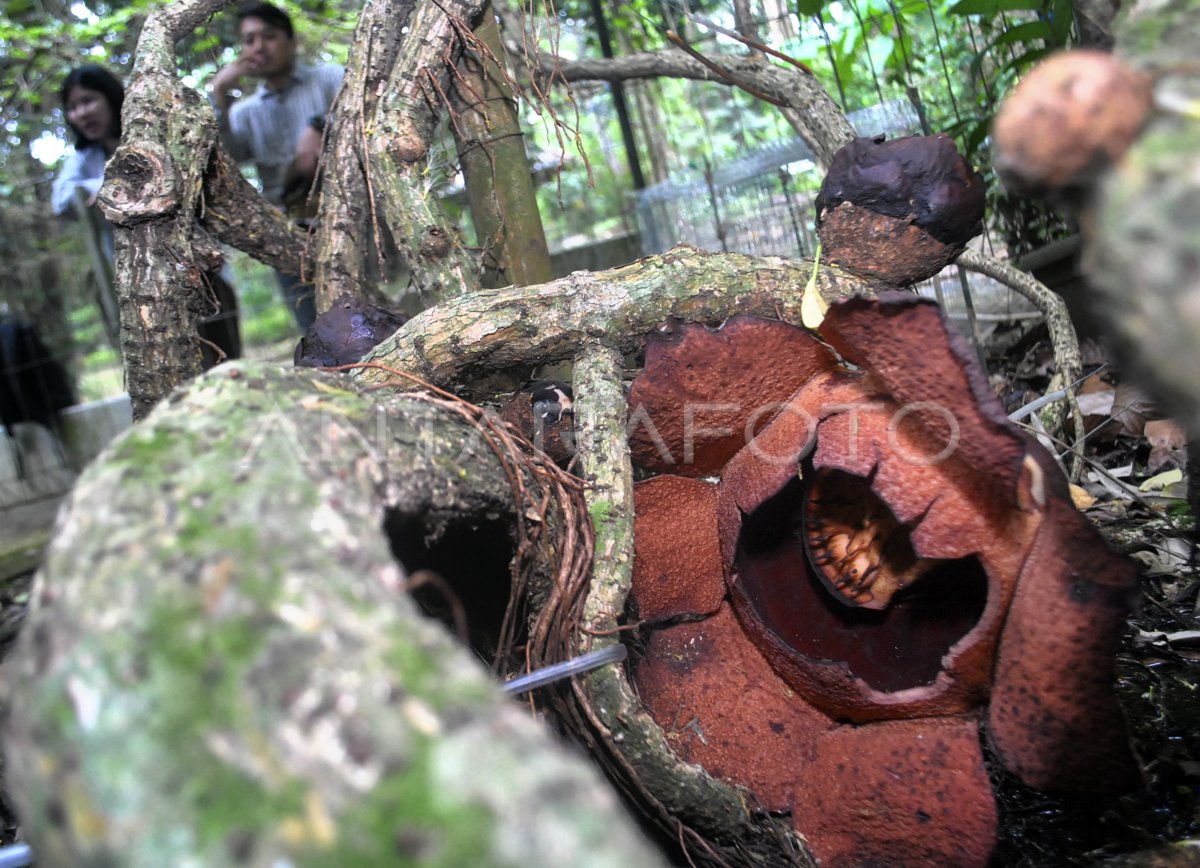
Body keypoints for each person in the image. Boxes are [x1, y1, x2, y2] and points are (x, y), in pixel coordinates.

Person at [52, 64, 242, 367]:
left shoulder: (154, 134)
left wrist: (115, 183)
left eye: (88, 101)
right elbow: (62, 199)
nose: (81, 113)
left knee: (223, 361)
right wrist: (101, 185)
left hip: (199, 273)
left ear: (111, 97)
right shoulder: (84, 161)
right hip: (138, 290)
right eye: (72, 107)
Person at [210, 2, 344, 332]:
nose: (259, 47)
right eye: (249, 40)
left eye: (268, 36)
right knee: (315, 328)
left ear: (290, 40)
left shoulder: (328, 78)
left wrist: (318, 126)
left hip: (342, 215)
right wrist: (219, 94)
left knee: (362, 314)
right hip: (285, 230)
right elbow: (224, 160)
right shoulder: (243, 113)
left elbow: (362, 109)